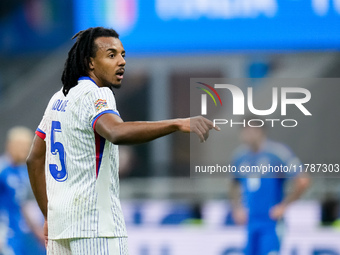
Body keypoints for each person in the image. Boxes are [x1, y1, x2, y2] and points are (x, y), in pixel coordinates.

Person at [26, 27, 219, 255]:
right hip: (96, 230)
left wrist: (50, 216)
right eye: (111, 55)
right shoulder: (97, 93)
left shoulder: (59, 98)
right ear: (90, 62)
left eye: (122, 55)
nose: (121, 61)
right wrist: (177, 123)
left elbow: (33, 159)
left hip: (61, 231)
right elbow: (115, 131)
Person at [230, 121, 310, 255]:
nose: (246, 135)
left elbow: (303, 180)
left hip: (271, 222)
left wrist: (284, 206)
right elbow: (233, 183)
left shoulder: (277, 153)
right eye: (244, 131)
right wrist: (237, 207)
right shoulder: (240, 157)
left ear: (260, 131)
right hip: (251, 222)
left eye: (250, 131)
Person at [0, 126, 45, 255]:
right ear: (10, 145)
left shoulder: (24, 171)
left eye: (28, 145)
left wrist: (37, 230)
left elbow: (24, 204)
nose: (26, 150)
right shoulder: (2, 170)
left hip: (24, 234)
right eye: (22, 145)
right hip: (6, 234)